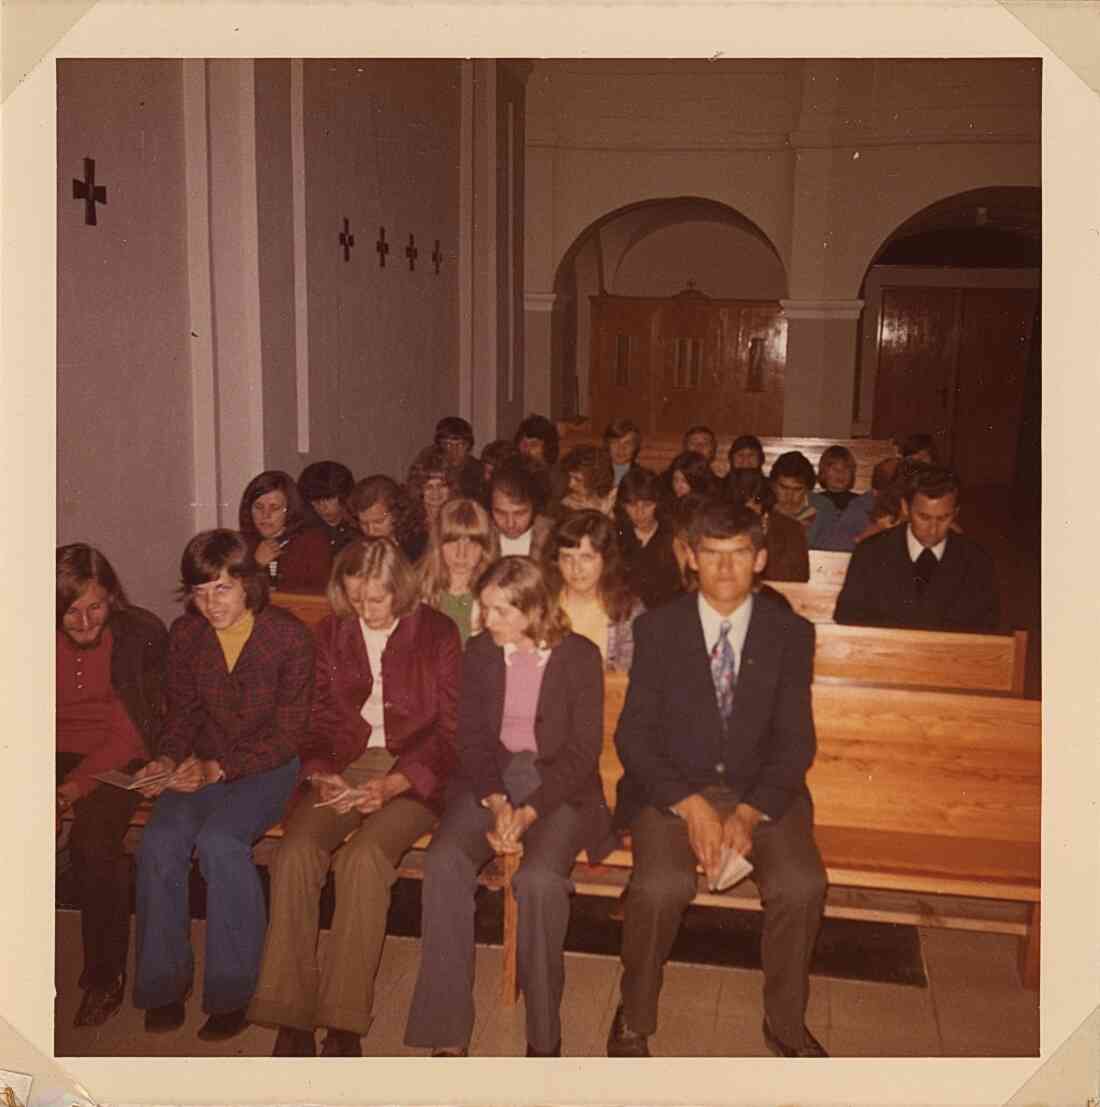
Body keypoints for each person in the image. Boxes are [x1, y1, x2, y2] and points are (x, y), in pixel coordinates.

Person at [607, 500, 827, 1058]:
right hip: (674, 791)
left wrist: (750, 812)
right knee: (660, 887)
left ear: (759, 559)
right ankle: (634, 1014)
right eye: (711, 555)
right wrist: (692, 806)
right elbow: (633, 737)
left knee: (801, 885)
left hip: (762, 793)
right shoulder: (657, 629)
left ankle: (784, 1023)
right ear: (689, 558)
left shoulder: (790, 634)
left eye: (738, 555)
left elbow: (796, 741)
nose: (725, 570)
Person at [248, 538, 461, 1057]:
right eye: (356, 599)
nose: (365, 611)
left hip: (414, 771)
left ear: (401, 591)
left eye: (376, 600)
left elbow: (451, 732)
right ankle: (290, 1013)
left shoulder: (438, 633)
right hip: (345, 767)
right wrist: (323, 774)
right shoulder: (332, 632)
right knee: (295, 853)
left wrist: (393, 783)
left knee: (364, 860)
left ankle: (343, 1020)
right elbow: (317, 719)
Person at [404, 557, 613, 1057]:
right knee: (445, 860)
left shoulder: (579, 656)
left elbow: (583, 754)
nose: (486, 620)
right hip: (490, 779)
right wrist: (498, 801)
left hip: (559, 786)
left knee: (539, 881)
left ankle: (543, 1037)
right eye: (485, 608)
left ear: (534, 608)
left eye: (500, 611)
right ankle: (447, 1028)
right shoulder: (479, 651)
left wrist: (526, 813)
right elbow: (471, 739)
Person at [131, 530, 313, 1041]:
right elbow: (182, 712)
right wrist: (166, 758)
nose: (210, 604)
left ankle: (234, 991)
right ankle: (163, 985)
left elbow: (288, 734)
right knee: (160, 841)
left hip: (268, 767)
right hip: (201, 763)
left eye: (222, 590)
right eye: (200, 591)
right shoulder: (186, 635)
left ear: (249, 586)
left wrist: (219, 769)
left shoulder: (288, 637)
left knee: (221, 843)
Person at [55, 544, 167, 1028]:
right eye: (70, 611)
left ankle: (105, 977)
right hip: (44, 745)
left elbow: (129, 733)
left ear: (112, 598)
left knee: (93, 843)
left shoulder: (137, 633)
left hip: (115, 754)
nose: (83, 621)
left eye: (94, 607)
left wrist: (67, 793)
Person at [835, 465, 999, 631]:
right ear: (906, 508)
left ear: (955, 512)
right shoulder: (870, 553)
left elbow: (986, 629)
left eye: (943, 518)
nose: (933, 529)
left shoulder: (976, 560)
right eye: (924, 517)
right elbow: (847, 616)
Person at [544, 510, 643, 672]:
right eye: (567, 557)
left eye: (586, 558)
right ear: (556, 561)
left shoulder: (628, 611)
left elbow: (630, 677)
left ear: (606, 559)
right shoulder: (542, 605)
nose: (576, 568)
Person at [419, 497, 500, 644]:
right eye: (452, 542)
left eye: (473, 544)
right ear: (438, 544)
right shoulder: (417, 593)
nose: (461, 554)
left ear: (485, 548)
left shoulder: (497, 597)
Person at [239, 470, 333, 592]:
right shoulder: (239, 544)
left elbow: (318, 596)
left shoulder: (313, 543)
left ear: (289, 510)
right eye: (259, 507)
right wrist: (256, 565)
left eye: (275, 508)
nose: (266, 515)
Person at [614, 467, 682, 611]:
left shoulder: (673, 535)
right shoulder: (615, 535)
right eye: (632, 505)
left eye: (647, 505)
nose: (640, 513)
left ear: (658, 503)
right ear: (622, 505)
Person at [725, 468, 810, 582]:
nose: (750, 506)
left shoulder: (791, 529)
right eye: (742, 501)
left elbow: (800, 578)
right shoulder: (716, 529)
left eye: (757, 499)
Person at [806, 445, 874, 552]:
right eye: (834, 468)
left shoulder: (861, 503)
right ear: (823, 472)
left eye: (846, 468)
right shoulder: (814, 501)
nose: (840, 473)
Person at [347, 474, 425, 564]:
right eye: (364, 523)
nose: (370, 531)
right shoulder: (355, 549)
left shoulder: (417, 546)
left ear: (396, 514)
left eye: (378, 522)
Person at [490, 462, 554, 559]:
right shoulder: (480, 535)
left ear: (535, 507)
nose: (510, 524)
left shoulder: (552, 539)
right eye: (500, 513)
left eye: (520, 513)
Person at [407, 445, 461, 559]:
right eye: (429, 487)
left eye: (442, 485)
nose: (436, 492)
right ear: (419, 490)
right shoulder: (408, 525)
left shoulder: (460, 521)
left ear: (451, 488)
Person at [298, 461, 358, 555]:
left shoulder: (358, 529)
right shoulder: (303, 531)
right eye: (316, 501)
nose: (322, 507)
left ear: (344, 495)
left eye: (329, 499)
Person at [434, 416, 486, 501]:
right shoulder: (429, 466)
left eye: (461, 444)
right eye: (448, 444)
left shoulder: (479, 471)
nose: (454, 451)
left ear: (469, 446)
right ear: (440, 445)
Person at [556, 444, 616, 517]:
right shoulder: (567, 503)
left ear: (596, 479)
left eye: (578, 479)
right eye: (569, 477)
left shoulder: (613, 500)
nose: (570, 484)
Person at [769, 451, 818, 531]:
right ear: (773, 485)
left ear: (807, 489)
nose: (789, 495)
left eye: (797, 489)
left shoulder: (823, 509)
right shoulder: (762, 507)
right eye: (783, 487)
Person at [603, 418, 643, 488]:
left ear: (635, 447)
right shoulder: (596, 473)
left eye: (628, 443)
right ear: (607, 445)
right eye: (615, 443)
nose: (621, 448)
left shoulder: (642, 477)